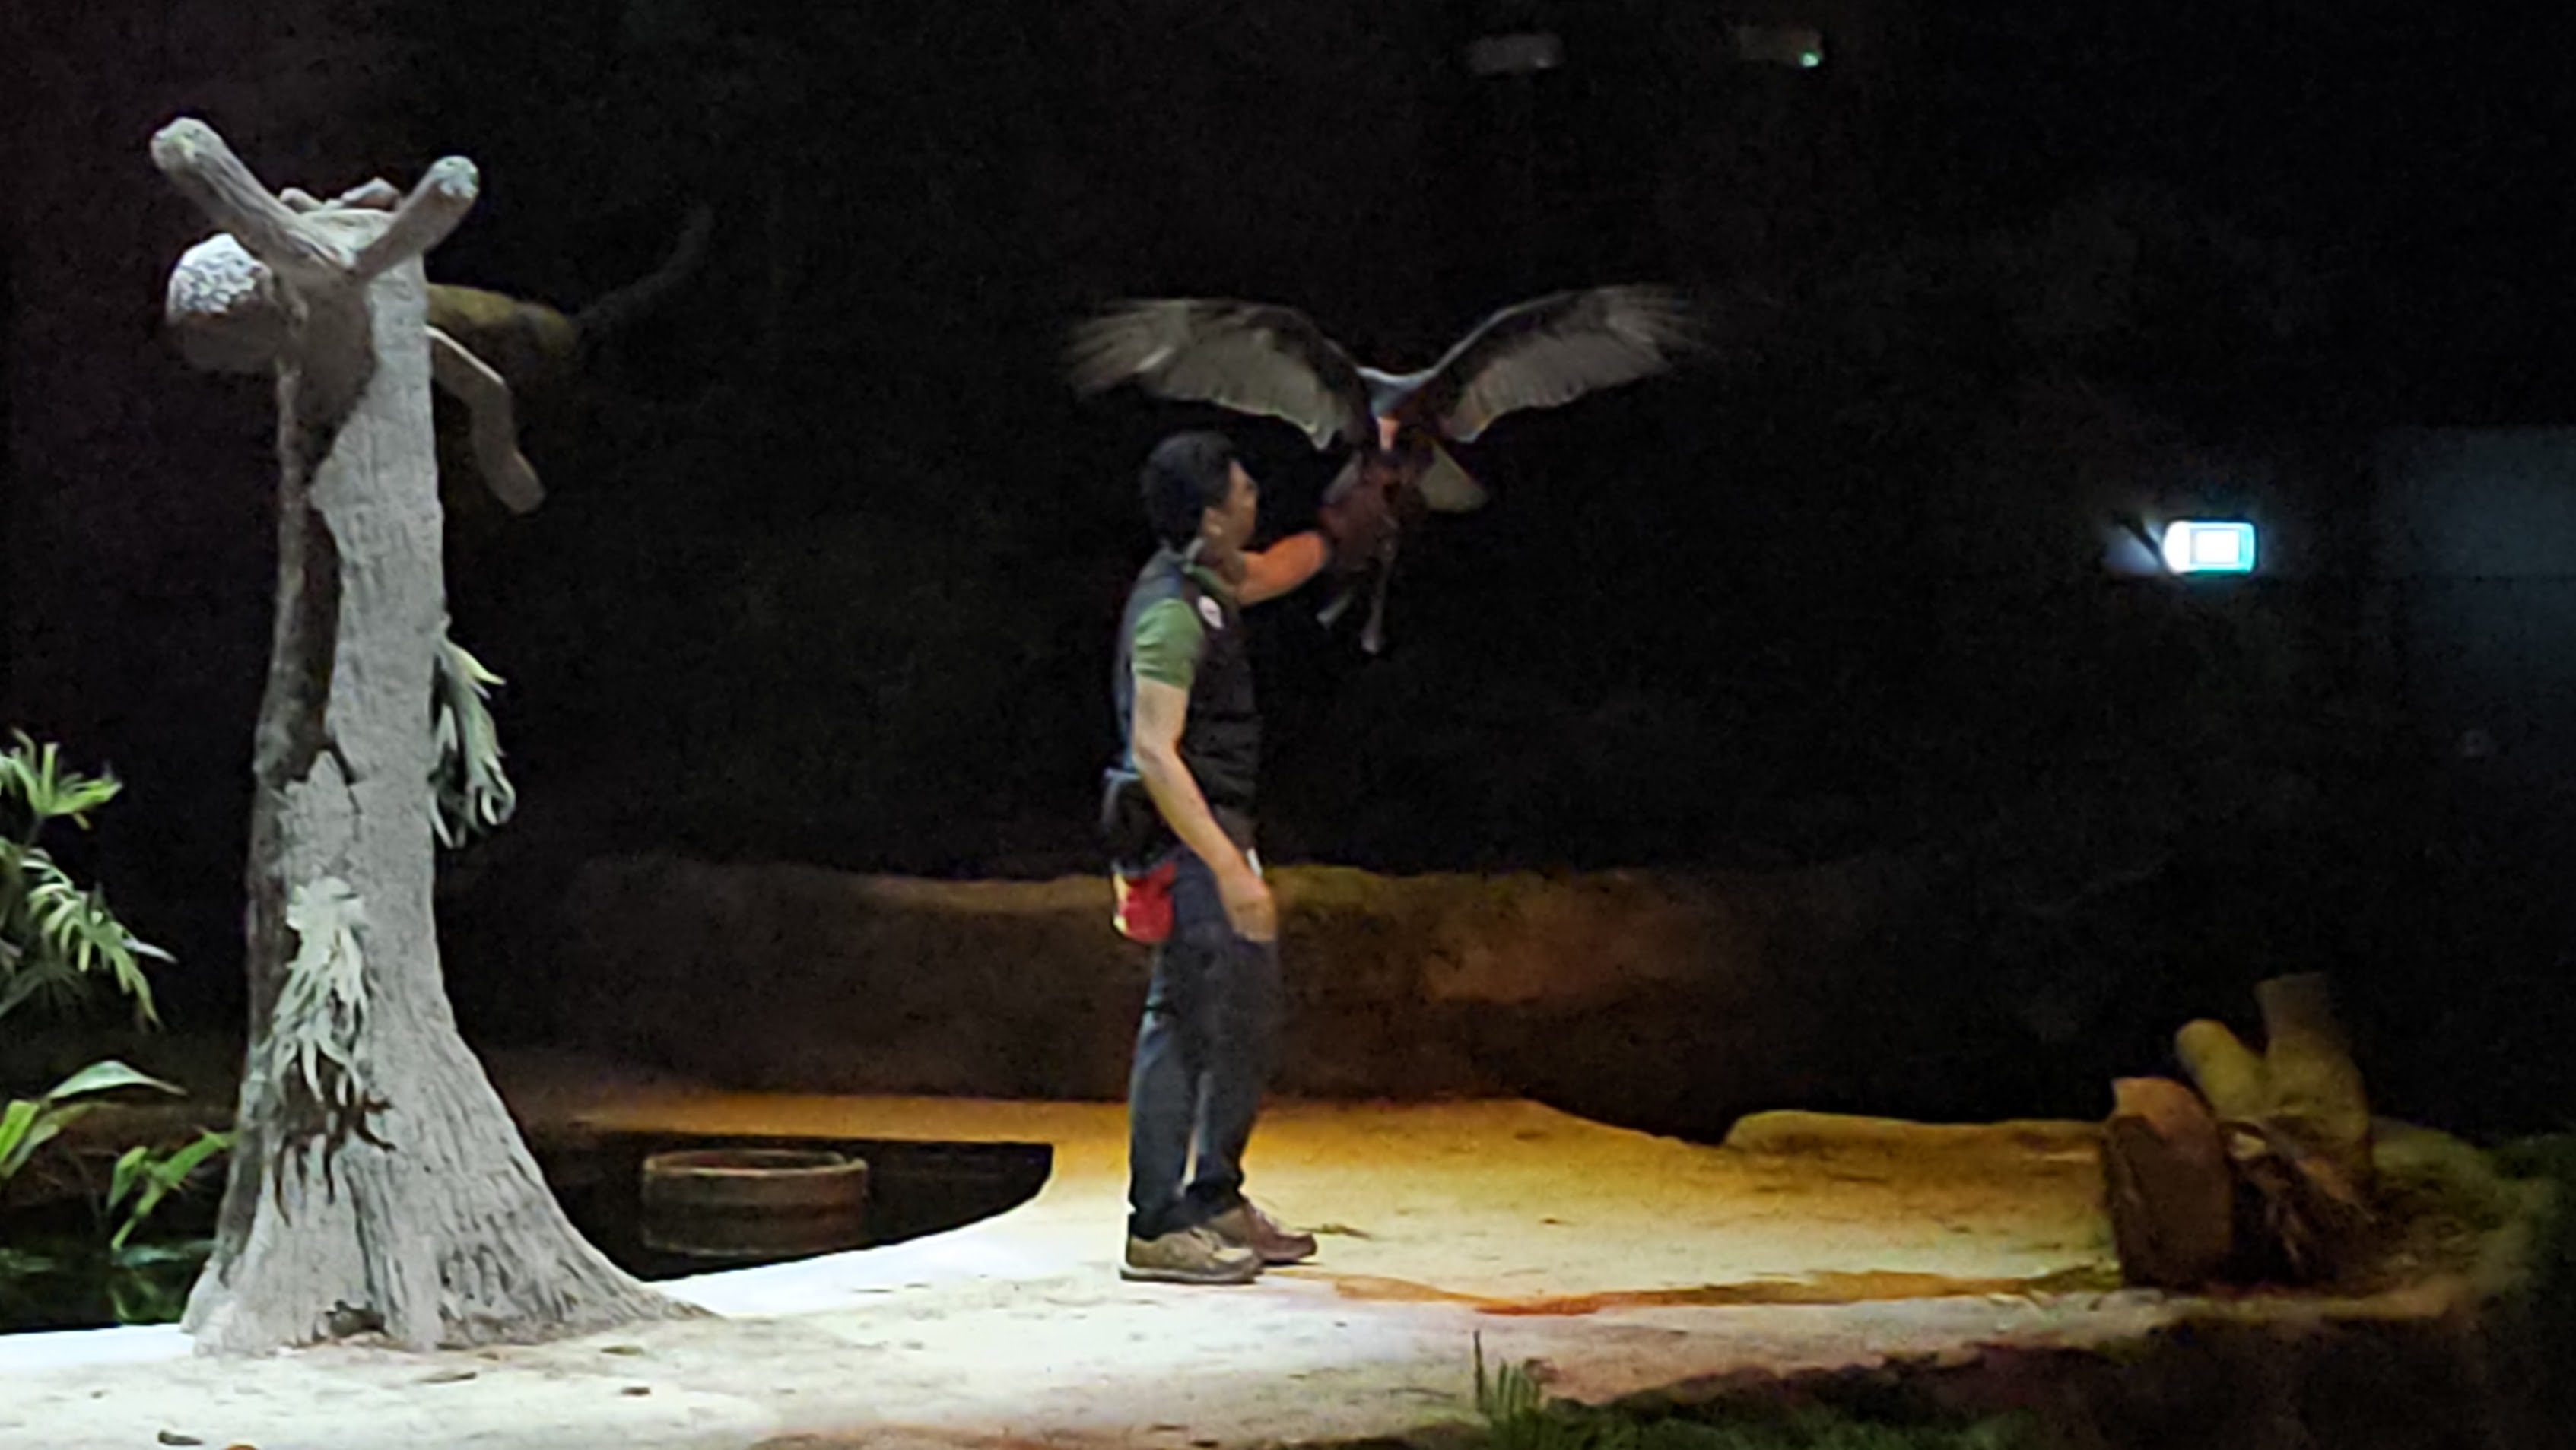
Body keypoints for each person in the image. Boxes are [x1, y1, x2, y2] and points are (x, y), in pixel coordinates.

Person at [1107, 429, 1393, 1285]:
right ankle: (1156, 1224)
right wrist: (1227, 867)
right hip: (1188, 836)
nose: (1254, 496)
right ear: (1209, 515)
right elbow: (1154, 750)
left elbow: (1269, 571)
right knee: (1185, 1018)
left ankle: (1215, 1195)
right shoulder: (1169, 611)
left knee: (1245, 1013)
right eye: (1241, 489)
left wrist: (1343, 526)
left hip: (1219, 829)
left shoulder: (1207, 581)